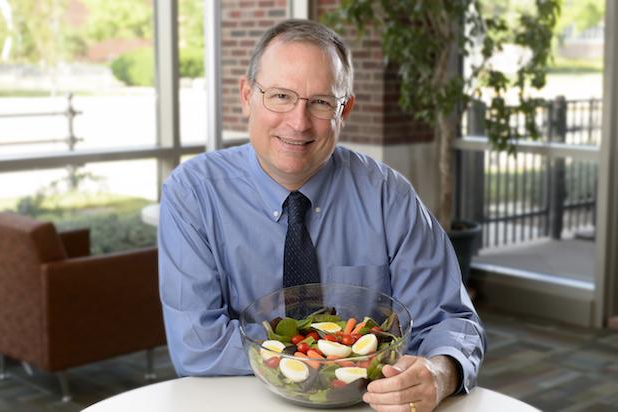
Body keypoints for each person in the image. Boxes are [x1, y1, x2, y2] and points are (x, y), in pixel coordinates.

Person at [158, 18, 486, 412]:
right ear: (247, 96)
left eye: (320, 102)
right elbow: (197, 346)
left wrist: (439, 373)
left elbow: (450, 320)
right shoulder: (194, 192)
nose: (298, 122)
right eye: (280, 96)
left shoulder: (388, 195)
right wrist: (334, 355)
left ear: (344, 109)